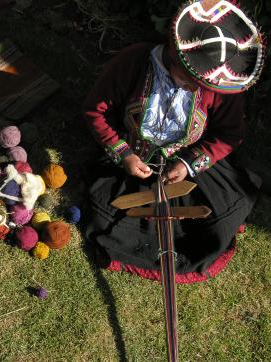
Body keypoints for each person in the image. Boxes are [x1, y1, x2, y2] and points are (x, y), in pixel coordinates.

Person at [82, 0, 266, 282]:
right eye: (191, 82)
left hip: (187, 163)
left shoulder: (218, 84)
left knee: (217, 226)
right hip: (131, 159)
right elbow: (96, 110)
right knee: (107, 220)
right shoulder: (133, 63)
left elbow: (229, 134)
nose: (197, 90)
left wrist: (188, 164)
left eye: (202, 87)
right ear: (174, 55)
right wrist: (125, 155)